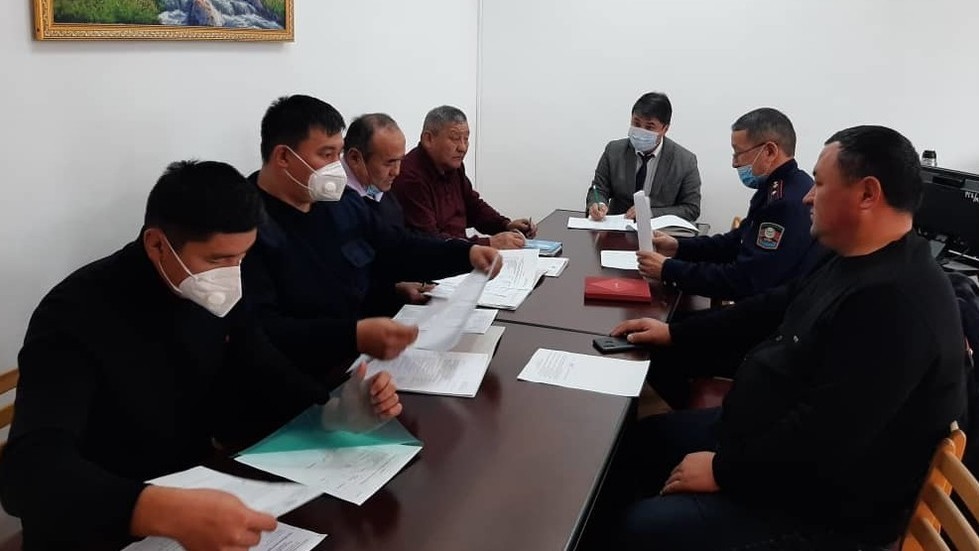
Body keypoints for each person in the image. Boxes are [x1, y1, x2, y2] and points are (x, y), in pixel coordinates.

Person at [0, 161, 403, 550]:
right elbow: (28, 474)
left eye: (242, 257)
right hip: (105, 524)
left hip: (199, 492)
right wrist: (152, 509)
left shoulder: (210, 289)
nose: (232, 275)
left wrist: (332, 409)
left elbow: (262, 364)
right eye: (218, 260)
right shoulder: (74, 314)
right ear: (157, 244)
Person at [608, 126, 967, 550]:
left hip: (822, 509)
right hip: (764, 432)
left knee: (638, 526)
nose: (808, 197)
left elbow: (825, 438)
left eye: (820, 183)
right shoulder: (853, 258)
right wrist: (674, 332)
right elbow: (769, 307)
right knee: (639, 444)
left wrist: (723, 471)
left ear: (867, 194)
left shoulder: (896, 303)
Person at [243, 96, 500, 381]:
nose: (336, 166)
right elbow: (264, 329)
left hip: (363, 360)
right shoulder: (243, 226)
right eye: (326, 155)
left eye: (338, 154)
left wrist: (465, 254)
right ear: (283, 157)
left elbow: (397, 247)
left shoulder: (340, 202)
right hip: (300, 378)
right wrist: (354, 336)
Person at [637, 108, 821, 300]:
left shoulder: (784, 203)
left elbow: (743, 280)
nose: (734, 163)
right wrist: (678, 247)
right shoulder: (780, 186)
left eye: (738, 153)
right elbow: (734, 242)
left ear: (769, 151)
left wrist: (668, 270)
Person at [391, 105, 537, 249]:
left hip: (460, 254)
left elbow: (473, 207)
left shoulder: (453, 166)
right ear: (428, 139)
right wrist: (489, 243)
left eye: (466, 139)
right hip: (436, 259)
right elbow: (431, 242)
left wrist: (505, 225)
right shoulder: (410, 177)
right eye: (455, 138)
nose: (462, 147)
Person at [343, 112, 434, 314]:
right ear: (355, 158)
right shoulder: (334, 201)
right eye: (389, 163)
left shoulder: (376, 187)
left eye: (400, 161)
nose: (397, 171)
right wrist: (393, 288)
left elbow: (398, 246)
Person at [586, 92, 702, 222]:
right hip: (617, 227)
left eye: (649, 127)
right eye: (636, 123)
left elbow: (692, 209)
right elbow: (598, 189)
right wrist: (598, 204)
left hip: (659, 231)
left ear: (665, 129)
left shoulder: (685, 161)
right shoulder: (613, 151)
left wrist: (650, 212)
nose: (641, 131)